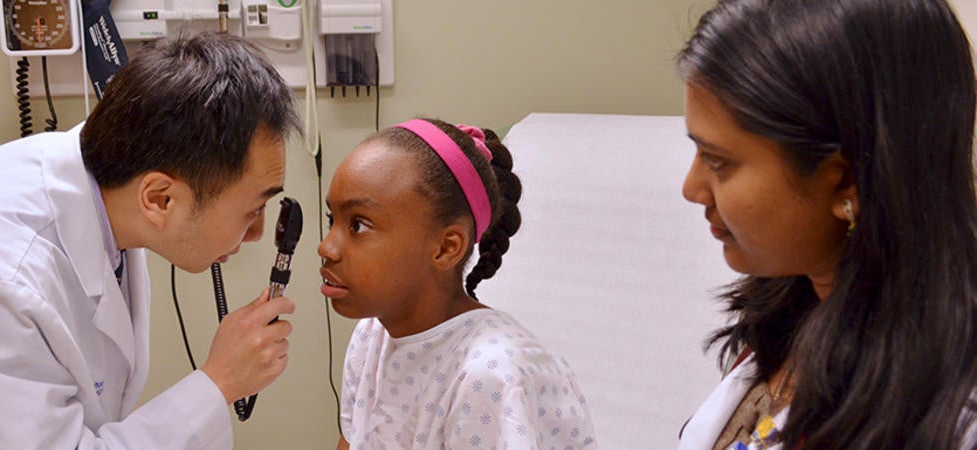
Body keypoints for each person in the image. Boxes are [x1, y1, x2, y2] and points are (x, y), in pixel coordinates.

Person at [0, 32, 299, 449]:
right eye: (253, 209)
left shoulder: (107, 192)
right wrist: (218, 382)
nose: (256, 233)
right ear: (161, 199)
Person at [674, 0, 977, 448]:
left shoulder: (950, 416)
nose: (691, 188)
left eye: (718, 162)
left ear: (846, 182)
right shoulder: (792, 314)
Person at [320, 118, 599, 449]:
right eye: (331, 220)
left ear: (445, 248)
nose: (326, 247)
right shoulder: (372, 335)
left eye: (359, 226)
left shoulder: (490, 375)